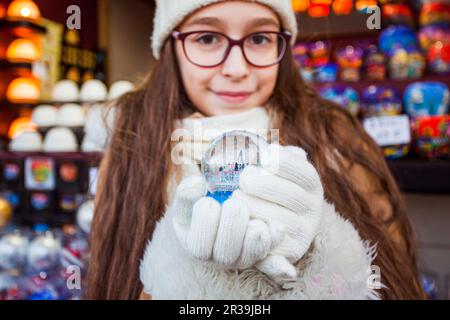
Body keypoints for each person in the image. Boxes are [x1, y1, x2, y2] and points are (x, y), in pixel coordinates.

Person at [86, 0, 425, 300]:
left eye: (260, 38)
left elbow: (391, 279)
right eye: (207, 38)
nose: (236, 69)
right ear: (171, 44)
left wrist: (317, 254)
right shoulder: (130, 143)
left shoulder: (335, 138)